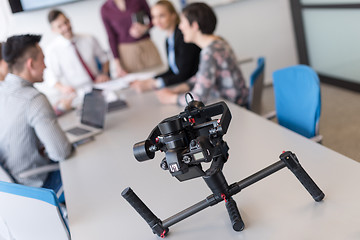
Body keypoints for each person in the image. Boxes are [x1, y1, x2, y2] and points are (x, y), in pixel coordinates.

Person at [0, 34, 74, 200]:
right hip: (37, 186)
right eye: (43, 60)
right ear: (30, 64)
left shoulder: (2, 91)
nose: (46, 66)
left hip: (11, 185)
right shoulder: (34, 99)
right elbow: (61, 153)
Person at [156, 2, 249, 107]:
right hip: (238, 102)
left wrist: (171, 98)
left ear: (194, 26)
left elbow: (199, 98)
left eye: (182, 22)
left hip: (235, 108)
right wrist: (183, 87)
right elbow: (203, 75)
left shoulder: (209, 52)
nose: (180, 27)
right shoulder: (218, 42)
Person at [130, 0, 201, 92]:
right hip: (181, 84)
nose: (157, 21)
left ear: (173, 15)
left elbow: (184, 75)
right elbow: (172, 70)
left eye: (162, 16)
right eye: (154, 17)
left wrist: (154, 84)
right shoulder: (168, 40)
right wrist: (151, 80)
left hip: (193, 86)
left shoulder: (184, 37)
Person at [45, 9, 110, 99]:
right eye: (60, 26)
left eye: (66, 22)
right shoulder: (52, 50)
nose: (65, 27)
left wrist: (104, 74)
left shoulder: (89, 38)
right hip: (76, 93)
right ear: (53, 30)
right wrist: (63, 88)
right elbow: (51, 78)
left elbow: (104, 59)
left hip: (98, 85)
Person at [101, 0, 162, 76]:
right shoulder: (105, 9)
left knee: (159, 75)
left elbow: (154, 18)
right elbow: (111, 37)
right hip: (126, 54)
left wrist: (145, 28)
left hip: (146, 47)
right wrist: (117, 64)